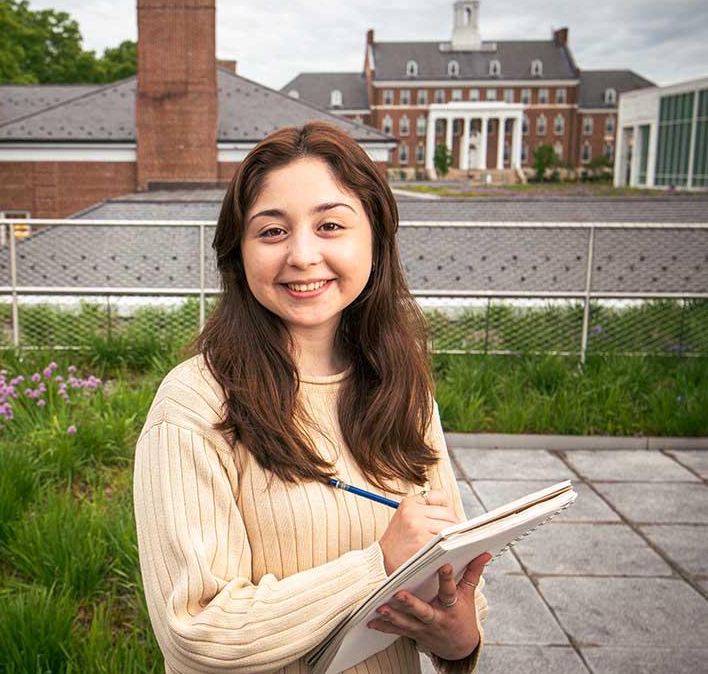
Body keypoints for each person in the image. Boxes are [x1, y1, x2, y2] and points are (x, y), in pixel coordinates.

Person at [133, 121, 490, 674]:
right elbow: (197, 635)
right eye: (272, 231)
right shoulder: (194, 405)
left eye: (329, 225)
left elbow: (456, 587)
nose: (302, 254)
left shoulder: (403, 387)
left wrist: (460, 638)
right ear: (239, 252)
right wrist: (377, 567)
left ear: (374, 237)